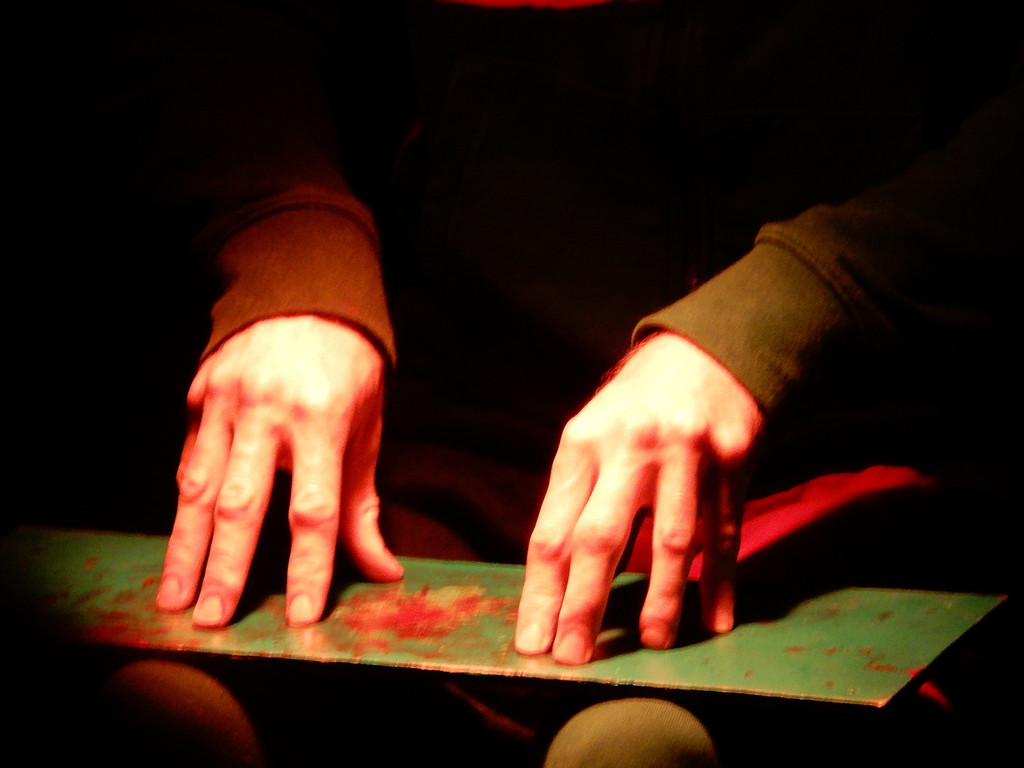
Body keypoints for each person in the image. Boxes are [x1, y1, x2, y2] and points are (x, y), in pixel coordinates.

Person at [67, 0, 1021, 765]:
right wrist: (290, 253)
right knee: (182, 716)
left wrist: (781, 319)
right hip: (461, 443)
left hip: (871, 444)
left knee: (642, 751)